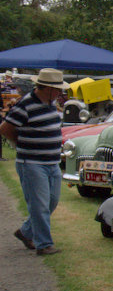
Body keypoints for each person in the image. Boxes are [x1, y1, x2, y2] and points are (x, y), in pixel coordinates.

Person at [0, 68, 69, 255]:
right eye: (57, 89)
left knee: (51, 202)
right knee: (39, 205)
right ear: (46, 88)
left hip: (51, 162)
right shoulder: (26, 104)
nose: (59, 93)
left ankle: (26, 232)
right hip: (31, 162)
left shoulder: (50, 102)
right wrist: (19, 143)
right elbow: (6, 129)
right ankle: (44, 244)